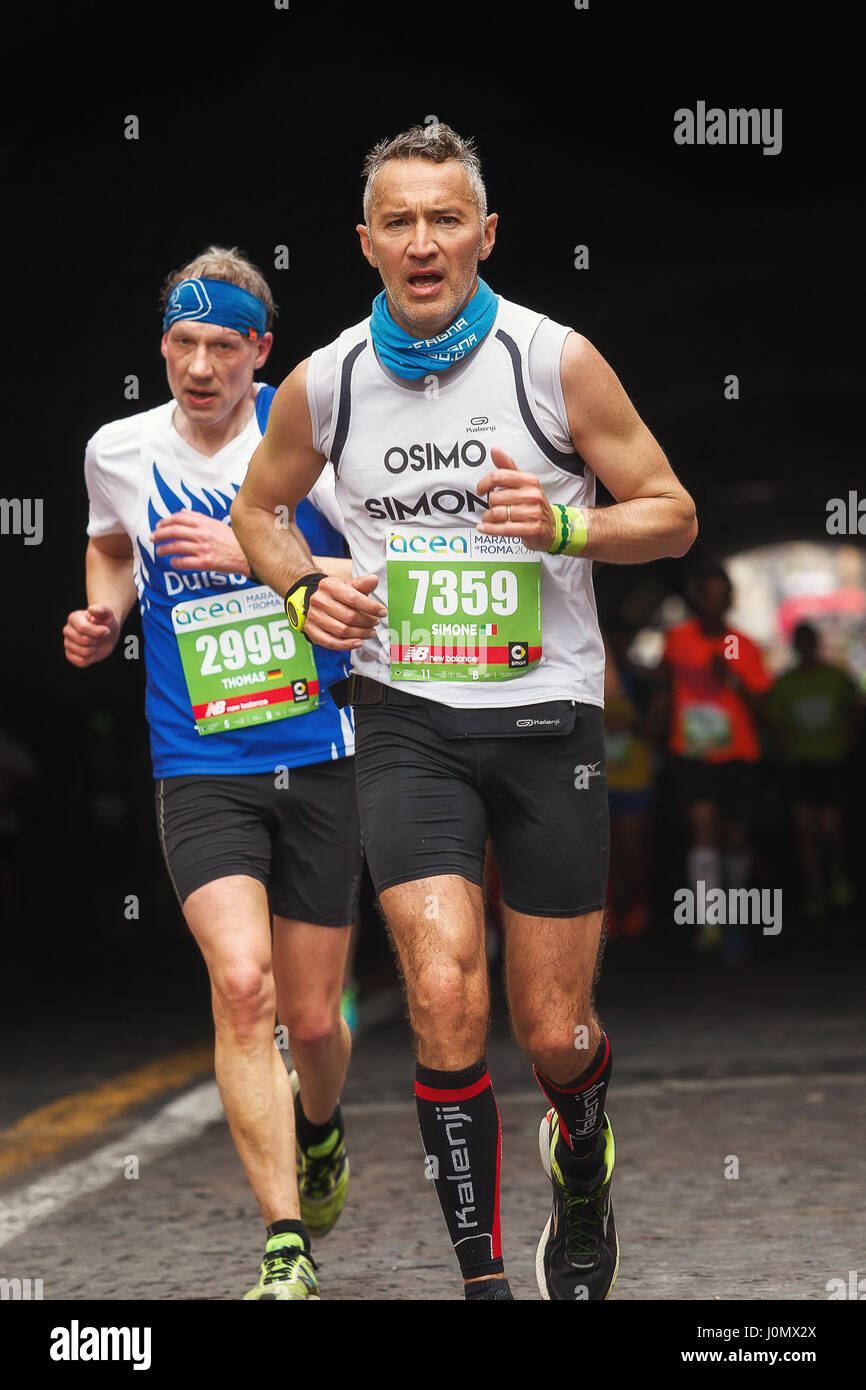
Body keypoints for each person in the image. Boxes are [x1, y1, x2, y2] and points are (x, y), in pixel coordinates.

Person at [231, 124, 697, 1301]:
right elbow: (259, 510)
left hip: (545, 721)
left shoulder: (553, 361)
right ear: (366, 242)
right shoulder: (328, 380)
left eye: (446, 219)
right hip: (407, 717)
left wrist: (568, 526)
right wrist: (301, 585)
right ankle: (482, 1280)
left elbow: (673, 512)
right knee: (442, 996)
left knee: (552, 1034)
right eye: (399, 221)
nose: (423, 242)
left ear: (484, 235)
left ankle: (580, 1153)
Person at [62, 246, 362, 1301]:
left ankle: (319, 1133)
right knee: (245, 990)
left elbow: (382, 578)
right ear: (163, 345)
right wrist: (105, 615)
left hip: (316, 751)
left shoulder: (311, 439)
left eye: (221, 347)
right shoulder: (120, 448)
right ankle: (284, 1240)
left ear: (259, 351)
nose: (198, 365)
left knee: (315, 1021)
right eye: (181, 344)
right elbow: (108, 544)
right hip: (196, 760)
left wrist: (257, 554)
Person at [654, 565, 772, 960]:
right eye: (709, 594)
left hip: (737, 752)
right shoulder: (677, 639)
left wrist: (731, 677)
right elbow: (663, 685)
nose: (716, 602)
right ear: (697, 598)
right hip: (692, 751)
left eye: (724, 595)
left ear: (730, 601)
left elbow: (762, 705)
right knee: (701, 825)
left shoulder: (740, 644)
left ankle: (735, 922)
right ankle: (709, 923)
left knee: (733, 837)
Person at [766, 622, 859, 915]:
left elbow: (855, 705)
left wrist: (850, 734)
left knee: (830, 828)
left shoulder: (836, 676)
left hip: (830, 761)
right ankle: (815, 889)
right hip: (799, 764)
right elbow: (777, 725)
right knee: (806, 829)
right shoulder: (785, 684)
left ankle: (838, 877)